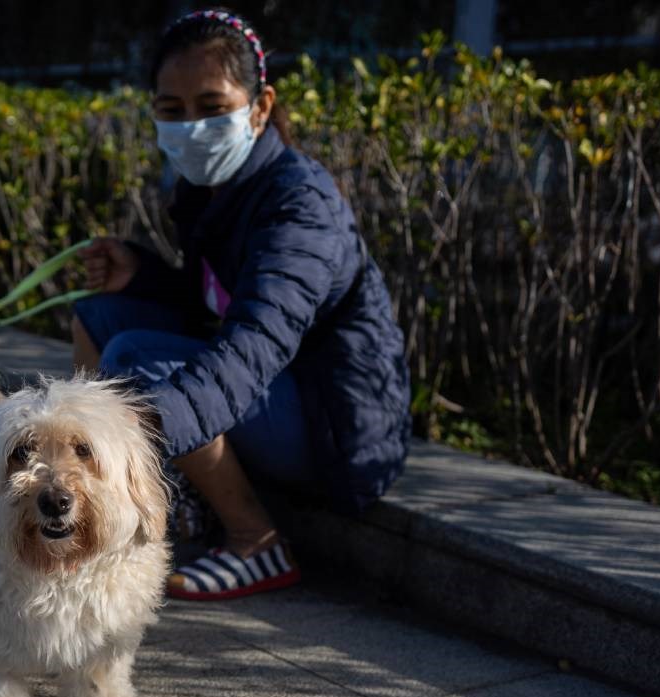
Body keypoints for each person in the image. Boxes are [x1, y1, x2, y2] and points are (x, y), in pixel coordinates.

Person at [72, 9, 411, 600]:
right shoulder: (215, 189)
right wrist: (143, 275)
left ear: (259, 107)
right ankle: (132, 502)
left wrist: (144, 430)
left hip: (338, 429)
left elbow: (253, 344)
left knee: (140, 361)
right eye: (171, 111)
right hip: (278, 394)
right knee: (99, 317)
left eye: (212, 106)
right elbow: (218, 303)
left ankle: (257, 541)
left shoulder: (301, 205)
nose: (192, 127)